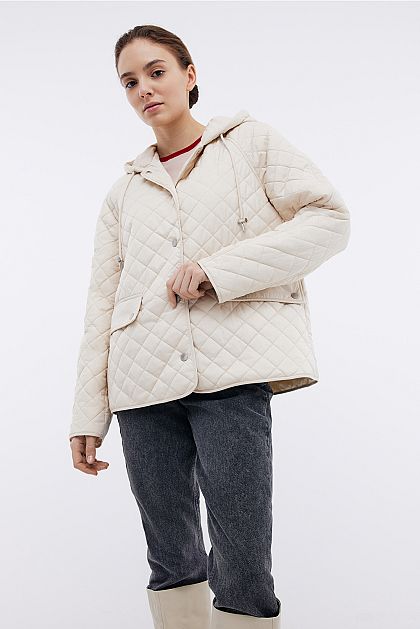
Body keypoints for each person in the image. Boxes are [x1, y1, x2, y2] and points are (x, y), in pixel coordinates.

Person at [69, 24, 351, 629]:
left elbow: (329, 220)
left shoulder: (251, 144)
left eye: (156, 72)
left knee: (244, 565)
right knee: (170, 560)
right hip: (141, 387)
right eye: (129, 82)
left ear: (189, 74)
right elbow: (101, 303)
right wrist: (87, 416)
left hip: (231, 377)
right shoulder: (122, 194)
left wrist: (218, 271)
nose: (144, 88)